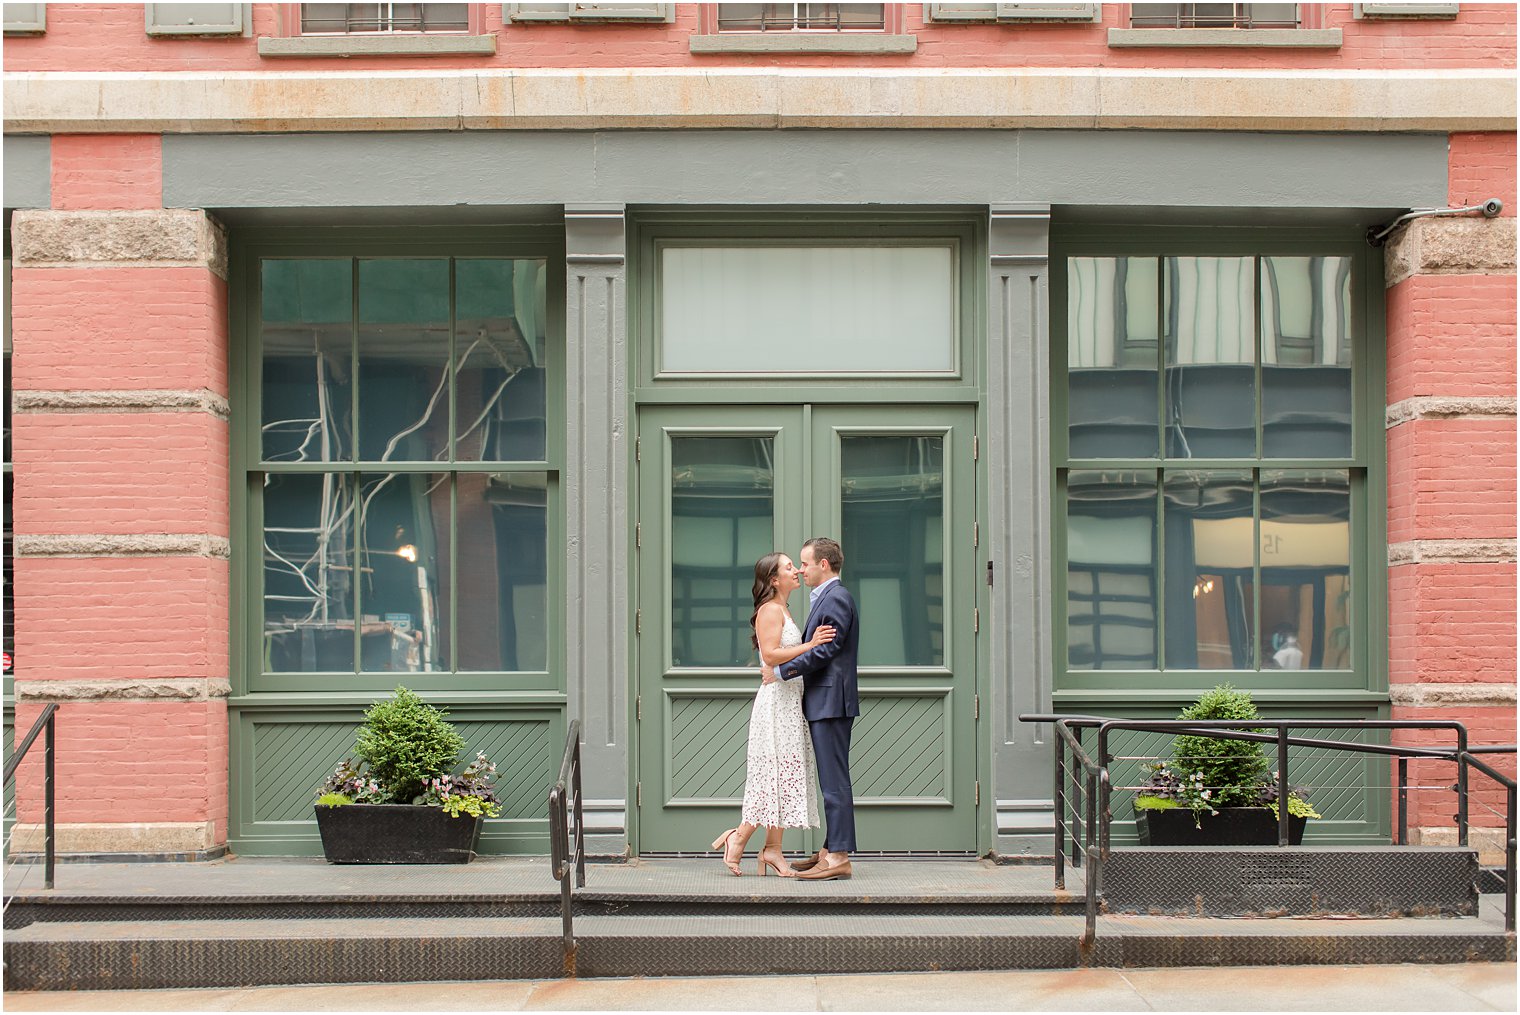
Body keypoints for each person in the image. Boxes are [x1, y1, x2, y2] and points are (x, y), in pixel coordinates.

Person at [710, 552, 836, 877]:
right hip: (776, 704)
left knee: (785, 775)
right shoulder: (769, 609)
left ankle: (772, 850)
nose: (796, 570)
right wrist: (811, 646)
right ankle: (738, 839)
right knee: (771, 777)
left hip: (791, 702)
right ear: (773, 580)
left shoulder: (784, 609)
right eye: (788, 567)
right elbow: (770, 655)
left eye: (795, 565)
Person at [770, 536, 860, 882]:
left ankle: (838, 857)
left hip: (830, 701)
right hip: (825, 700)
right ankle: (829, 848)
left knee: (834, 782)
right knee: (831, 779)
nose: (801, 569)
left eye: (805, 563)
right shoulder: (829, 597)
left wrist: (780, 672)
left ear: (824, 564)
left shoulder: (836, 598)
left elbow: (826, 651)